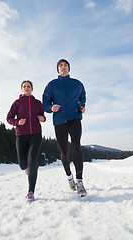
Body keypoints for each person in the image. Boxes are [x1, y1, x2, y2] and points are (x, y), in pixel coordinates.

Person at [42, 59, 87, 197]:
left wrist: (82, 106)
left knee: (76, 147)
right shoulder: (52, 85)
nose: (63, 67)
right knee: (64, 151)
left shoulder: (77, 84)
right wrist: (51, 108)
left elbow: (83, 96)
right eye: (60, 65)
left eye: (65, 65)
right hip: (59, 121)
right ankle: (69, 177)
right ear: (58, 69)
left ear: (69, 68)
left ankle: (80, 182)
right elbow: (45, 103)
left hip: (74, 118)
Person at [7, 80, 46, 201]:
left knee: (32, 160)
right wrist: (17, 122)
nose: (27, 88)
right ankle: (28, 168)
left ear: (32, 89)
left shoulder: (37, 103)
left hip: (35, 134)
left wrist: (42, 118)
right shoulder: (17, 103)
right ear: (22, 89)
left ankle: (31, 191)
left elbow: (43, 116)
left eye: (29, 86)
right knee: (23, 164)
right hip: (21, 134)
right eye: (24, 86)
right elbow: (8, 118)